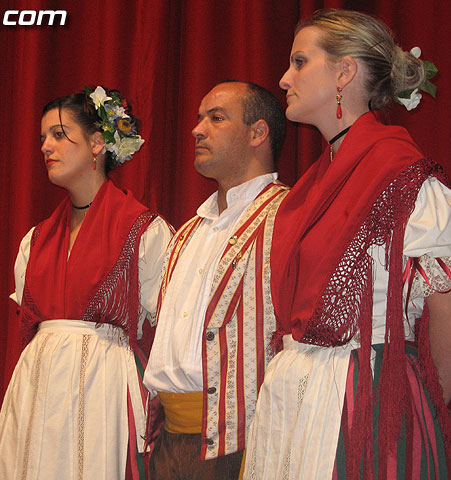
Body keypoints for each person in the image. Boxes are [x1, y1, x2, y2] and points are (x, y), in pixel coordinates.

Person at [243, 9, 451, 480]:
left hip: (361, 401)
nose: (283, 78)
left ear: (344, 72)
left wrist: (425, 405)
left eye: (299, 62)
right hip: (299, 397)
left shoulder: (401, 175)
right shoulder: (311, 188)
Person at [0, 86, 173, 480]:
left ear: (97, 143)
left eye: (58, 134)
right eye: (42, 138)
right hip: (37, 389)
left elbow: (165, 330)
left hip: (101, 389)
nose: (45, 147)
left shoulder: (143, 230)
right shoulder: (35, 240)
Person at [142, 80, 289, 479]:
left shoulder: (288, 217)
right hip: (169, 443)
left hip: (245, 443)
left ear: (258, 132)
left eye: (216, 117)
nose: (197, 128)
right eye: (199, 117)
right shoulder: (187, 232)